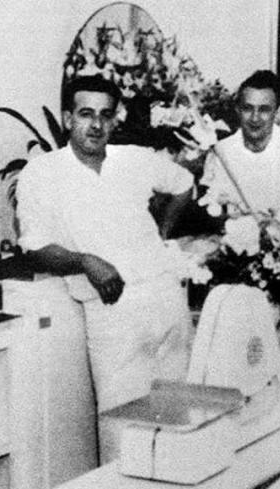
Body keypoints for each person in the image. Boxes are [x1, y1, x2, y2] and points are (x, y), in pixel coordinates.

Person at [17, 75, 195, 413]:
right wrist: (85, 261)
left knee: (180, 417)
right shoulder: (42, 173)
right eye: (86, 114)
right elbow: (34, 247)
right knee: (123, 424)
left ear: (115, 118)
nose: (96, 124)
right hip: (113, 310)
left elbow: (183, 183)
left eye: (105, 114)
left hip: (166, 299)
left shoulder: (134, 158)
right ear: (69, 119)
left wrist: (162, 231)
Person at [201, 70, 280, 230]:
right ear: (238, 110)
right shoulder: (221, 152)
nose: (255, 118)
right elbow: (213, 210)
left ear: (277, 114)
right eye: (248, 108)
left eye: (264, 110)